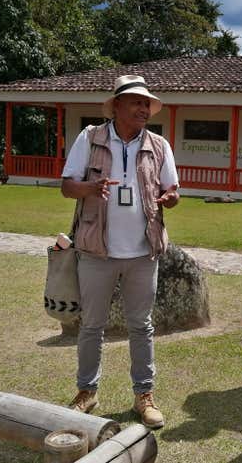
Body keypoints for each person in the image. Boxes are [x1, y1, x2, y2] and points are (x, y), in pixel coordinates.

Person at [60, 74, 180, 429]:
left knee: (141, 326)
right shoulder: (90, 138)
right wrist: (90, 188)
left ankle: (144, 395)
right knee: (91, 326)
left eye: (147, 103)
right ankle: (87, 391)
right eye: (137, 102)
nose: (144, 108)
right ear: (117, 106)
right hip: (97, 251)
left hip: (144, 253)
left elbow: (173, 190)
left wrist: (171, 198)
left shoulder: (159, 145)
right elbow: (67, 187)